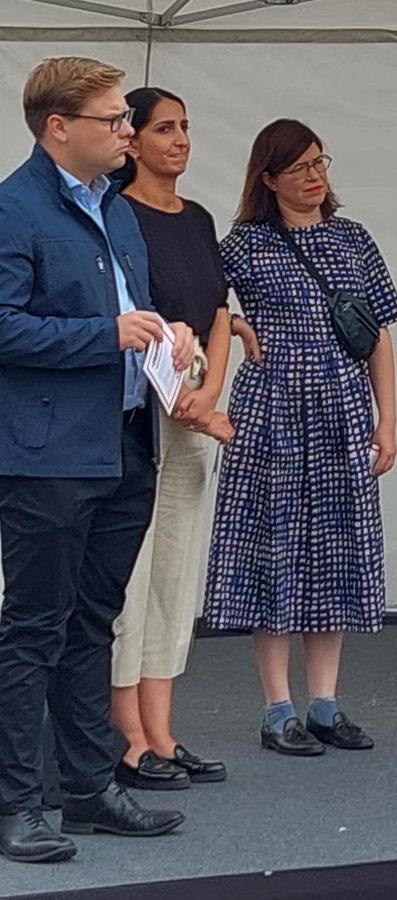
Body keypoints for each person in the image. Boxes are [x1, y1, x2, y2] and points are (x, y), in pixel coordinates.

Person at [0, 59, 195, 865]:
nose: (126, 131)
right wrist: (104, 336)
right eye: (113, 120)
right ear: (58, 127)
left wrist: (169, 336)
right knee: (34, 628)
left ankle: (86, 787)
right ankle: (17, 803)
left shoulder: (114, 208)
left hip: (124, 440)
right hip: (47, 454)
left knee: (93, 621)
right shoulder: (14, 209)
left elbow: (131, 312)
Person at [202, 119, 397, 757]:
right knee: (275, 551)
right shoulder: (243, 245)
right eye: (299, 168)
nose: (315, 177)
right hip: (272, 412)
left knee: (335, 551)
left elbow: (377, 335)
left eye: (320, 163)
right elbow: (196, 304)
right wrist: (236, 325)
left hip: (342, 410)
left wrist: (387, 420)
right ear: (268, 179)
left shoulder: (352, 239)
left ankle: (324, 704)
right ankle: (277, 709)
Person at [110, 86, 241, 792]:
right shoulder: (115, 214)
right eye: (165, 128)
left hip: (195, 396)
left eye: (185, 126)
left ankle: (162, 729)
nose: (181, 139)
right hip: (141, 402)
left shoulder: (197, 218)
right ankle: (127, 735)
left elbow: (218, 311)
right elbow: (132, 317)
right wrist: (186, 400)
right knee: (131, 570)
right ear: (131, 140)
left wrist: (210, 391)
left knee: (177, 567)